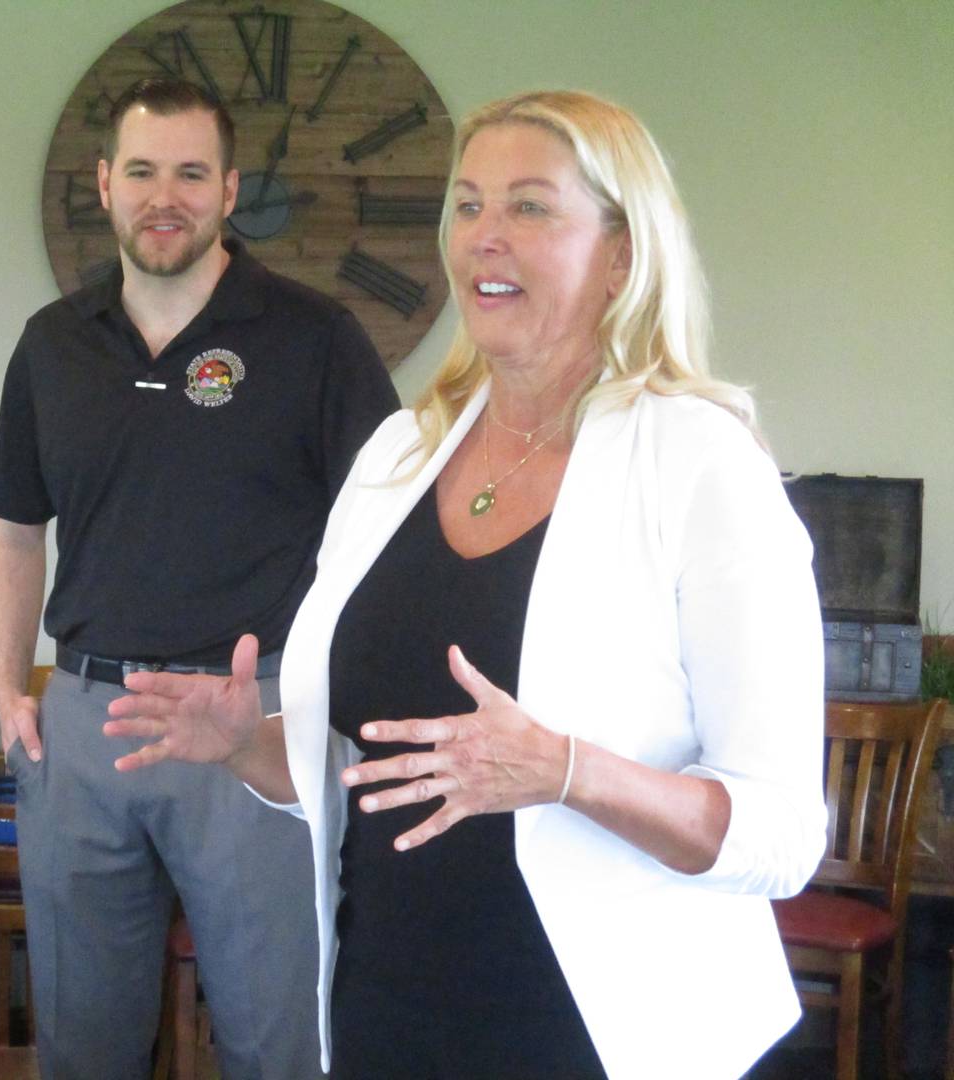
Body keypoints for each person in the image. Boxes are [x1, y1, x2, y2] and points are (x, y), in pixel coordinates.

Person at [105, 89, 827, 1080]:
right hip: (385, 1013)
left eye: (530, 207)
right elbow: (363, 767)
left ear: (622, 252)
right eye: (469, 204)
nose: (485, 236)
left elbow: (783, 837)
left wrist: (565, 771)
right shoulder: (401, 456)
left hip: (606, 1035)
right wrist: (243, 745)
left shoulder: (700, 464)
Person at [0, 77, 399, 1080]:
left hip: (250, 728)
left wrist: (333, 703)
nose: (166, 196)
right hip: (86, 721)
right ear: (105, 184)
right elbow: (10, 532)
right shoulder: (51, 346)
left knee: (273, 1040)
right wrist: (5, 690)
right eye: (144, 171)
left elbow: (387, 540)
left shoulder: (317, 339)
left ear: (231, 189)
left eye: (192, 174)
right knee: (82, 1047)